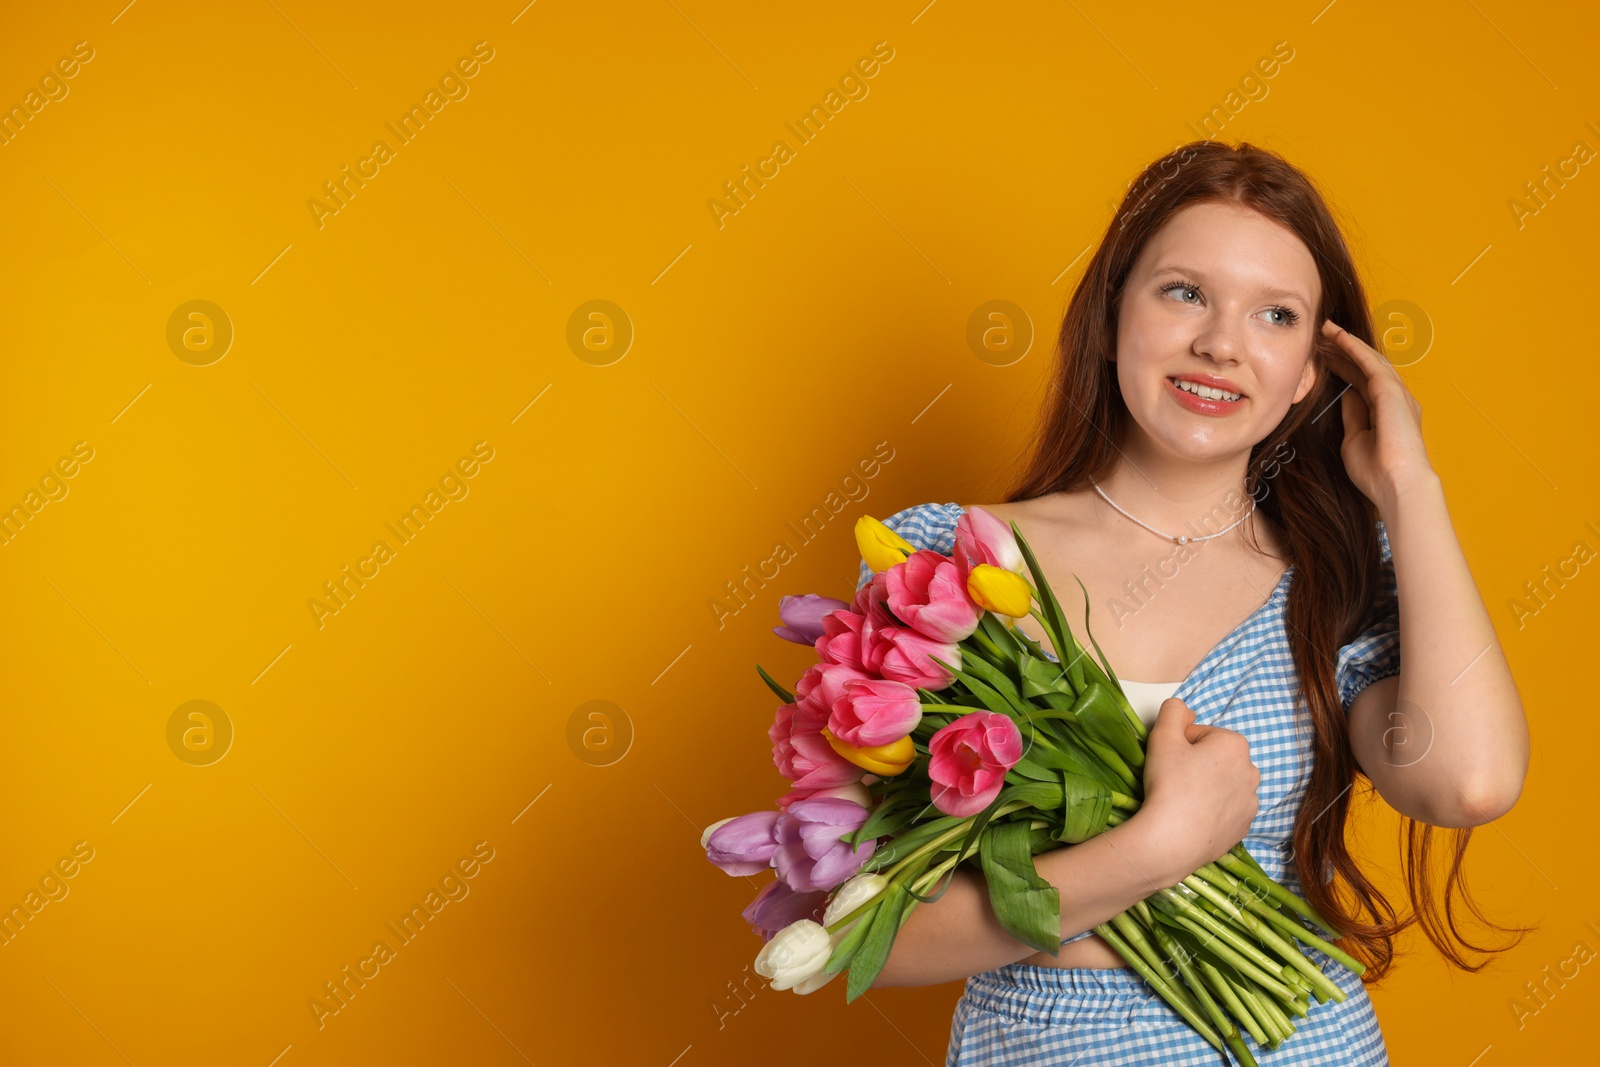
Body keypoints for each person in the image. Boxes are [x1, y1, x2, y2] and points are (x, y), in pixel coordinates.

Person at [859, 141, 1532, 1065]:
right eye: (1184, 292)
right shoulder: (943, 563)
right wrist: (1159, 845)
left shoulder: (1335, 576)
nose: (1222, 341)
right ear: (1108, 317)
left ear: (1307, 373)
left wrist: (1410, 488)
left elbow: (1468, 782)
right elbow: (875, 932)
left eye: (1276, 315)